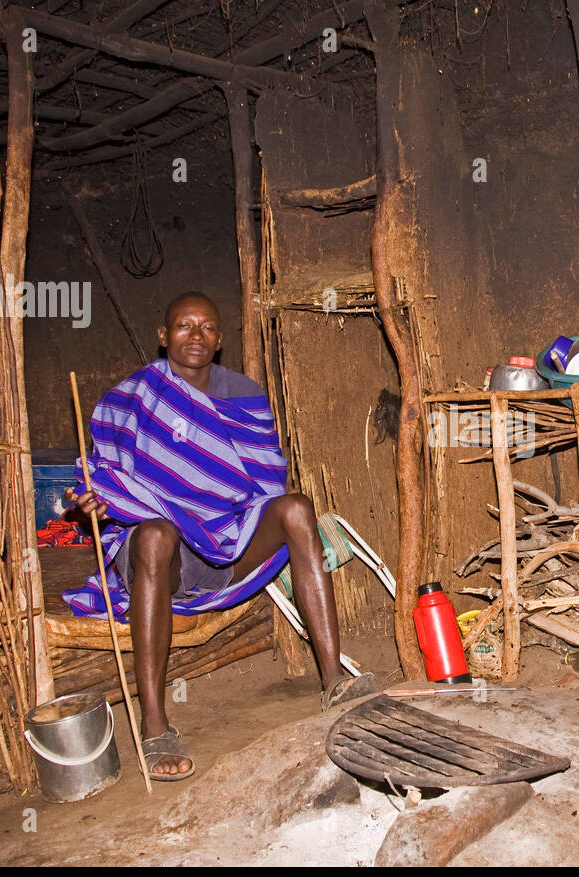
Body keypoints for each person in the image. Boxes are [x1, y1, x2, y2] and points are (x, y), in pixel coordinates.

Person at [64, 292, 376, 781]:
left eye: (207, 327)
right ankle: (155, 726)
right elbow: (105, 478)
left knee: (295, 507)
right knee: (155, 533)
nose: (196, 336)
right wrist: (97, 498)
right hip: (157, 561)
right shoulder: (131, 399)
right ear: (163, 336)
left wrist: (209, 514)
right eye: (184, 326)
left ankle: (335, 681)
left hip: (222, 548)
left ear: (220, 339)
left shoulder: (243, 398)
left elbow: (261, 481)